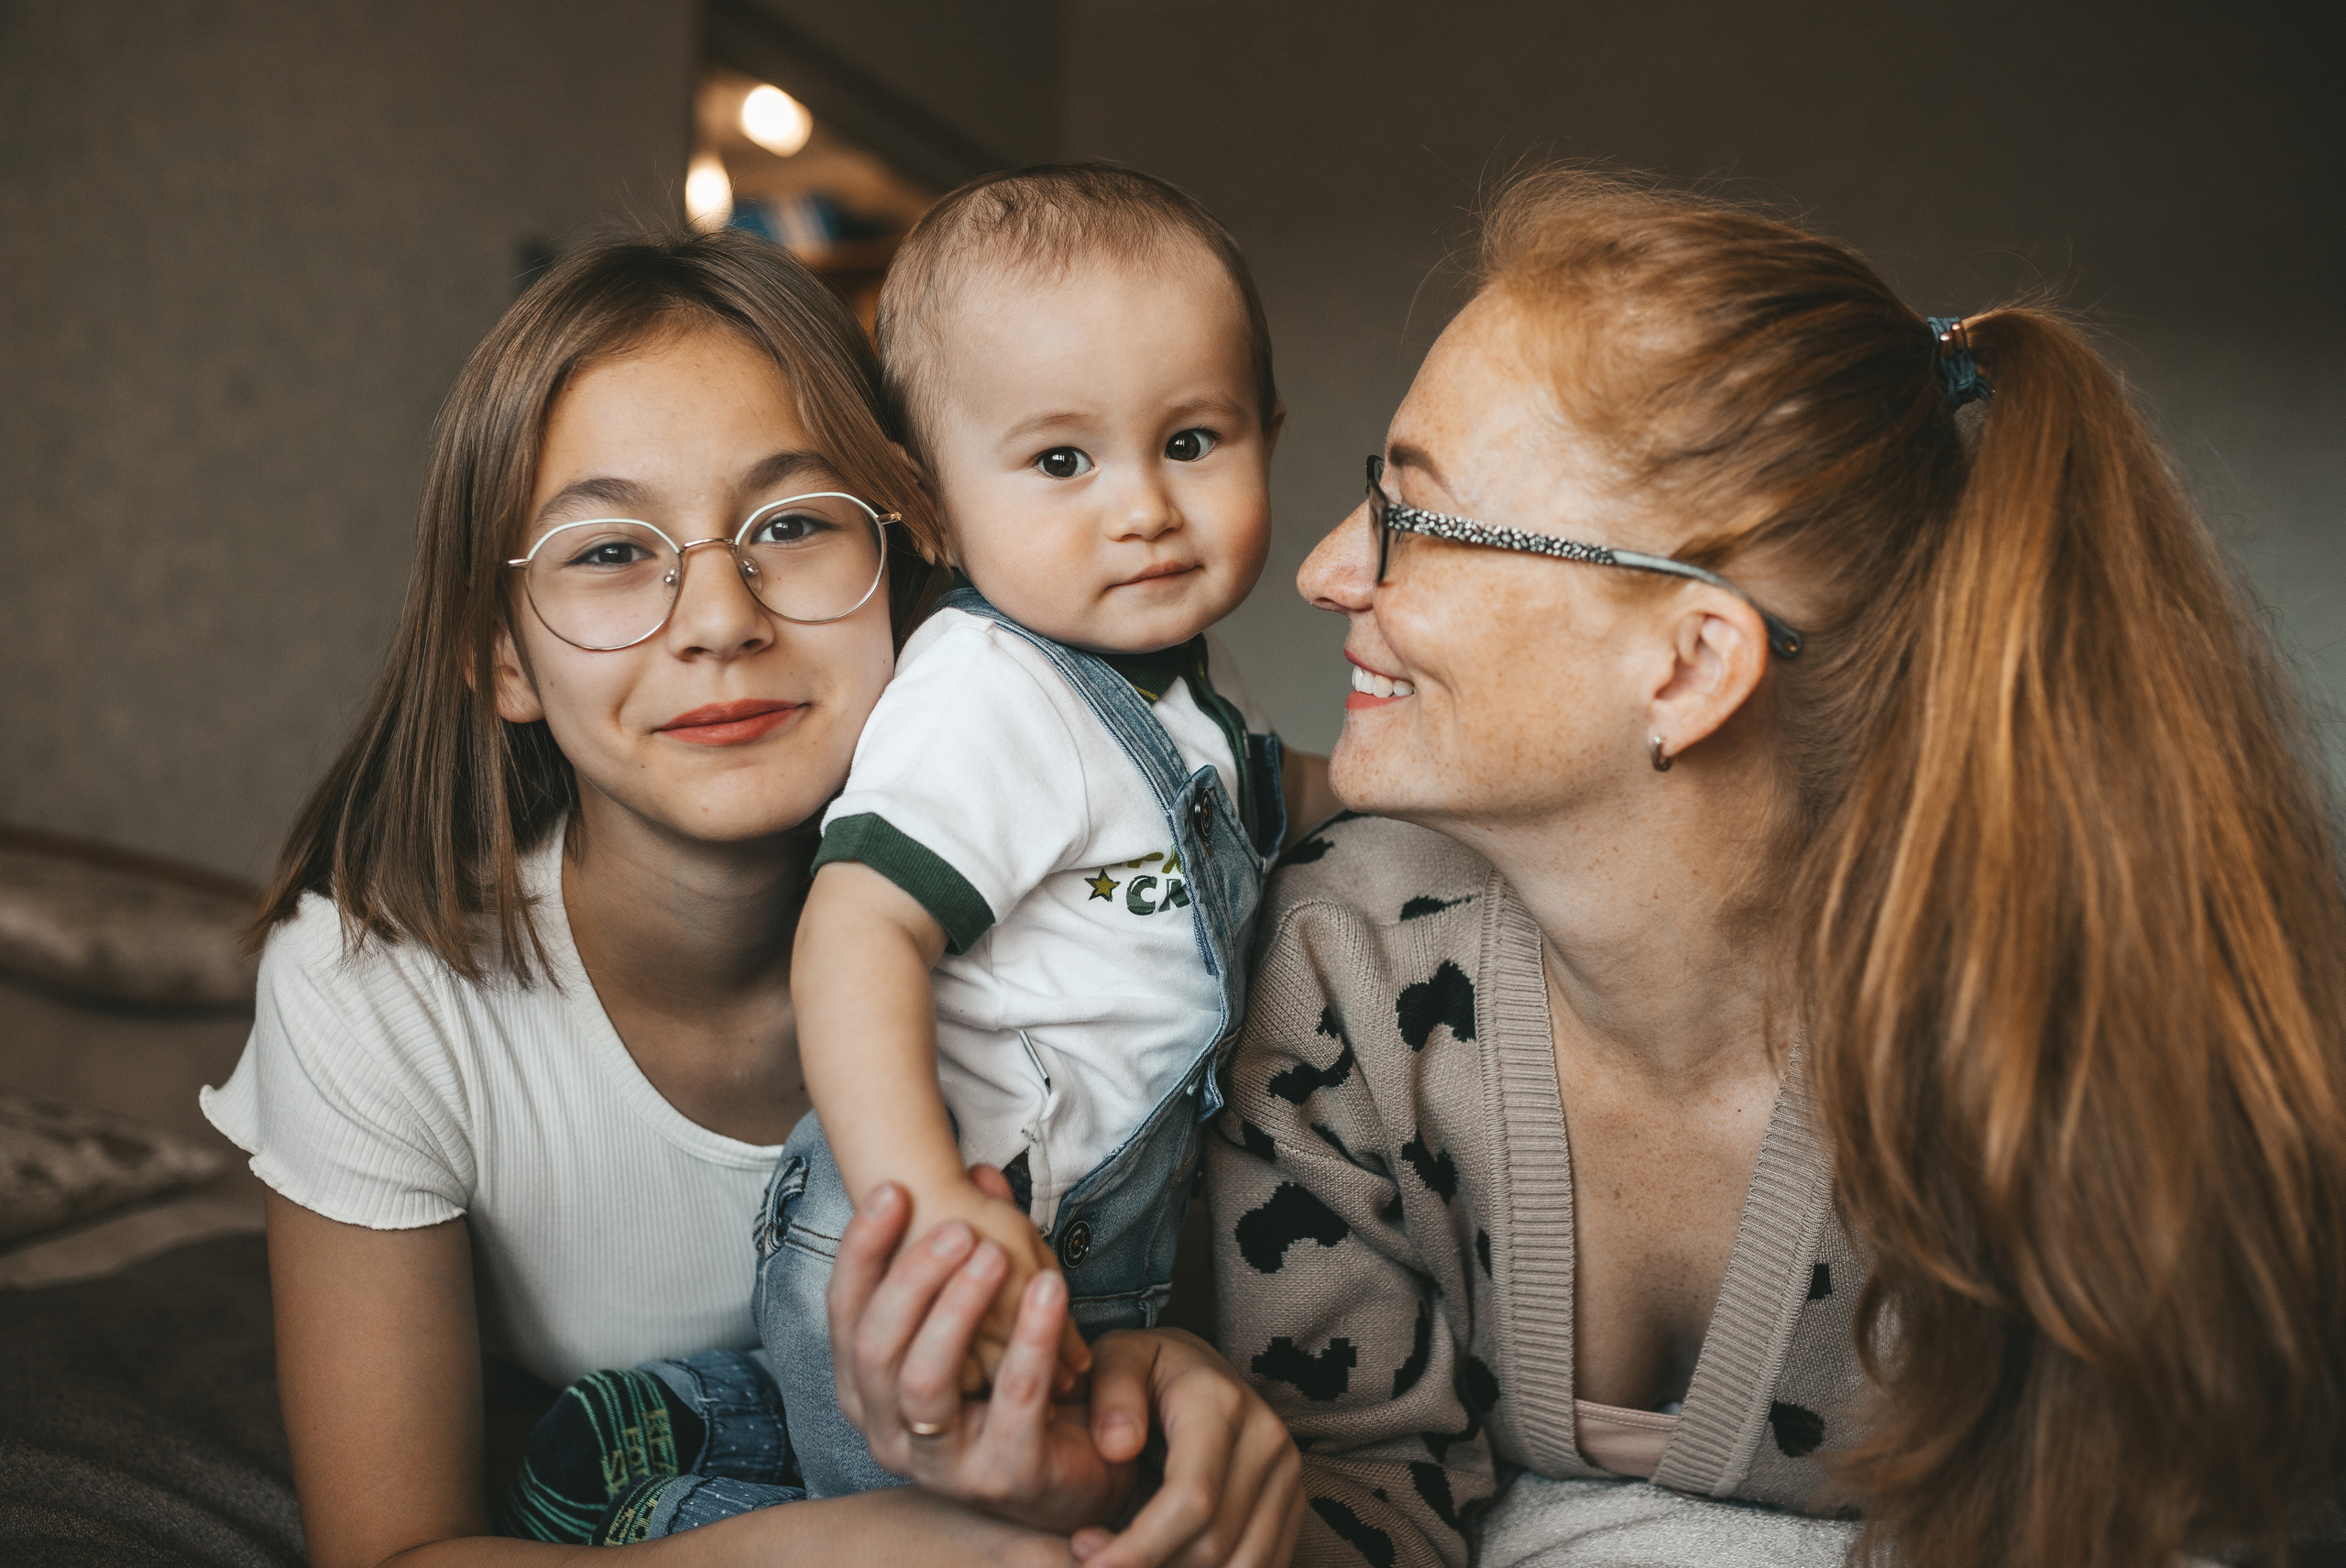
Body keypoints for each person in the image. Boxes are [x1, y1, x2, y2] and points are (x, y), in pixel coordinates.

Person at [1211, 169, 2346, 1567]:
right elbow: (1338, 1496)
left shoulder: (2046, 1068)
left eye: (1417, 516)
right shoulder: (1339, 976)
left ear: (1690, 665)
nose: (1326, 570)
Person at [203, 227, 1299, 1568]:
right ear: (501, 652)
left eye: (791, 525)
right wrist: (876, 1548)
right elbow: (395, 1548)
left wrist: (1158, 1378)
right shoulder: (374, 992)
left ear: (915, 560)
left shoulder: (1113, 926)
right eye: (609, 551)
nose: (719, 616)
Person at [767, 161, 1334, 1497]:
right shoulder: (989, 691)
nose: (1142, 507)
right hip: (932, 1247)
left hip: (1093, 1245)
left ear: (1270, 431)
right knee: (925, 1539)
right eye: (1063, 460)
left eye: (1192, 442)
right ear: (931, 505)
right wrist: (929, 1206)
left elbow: (1266, 794)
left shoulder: (1183, 679)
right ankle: (675, 1483)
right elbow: (857, 931)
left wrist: (1391, 778)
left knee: (1088, 1515)